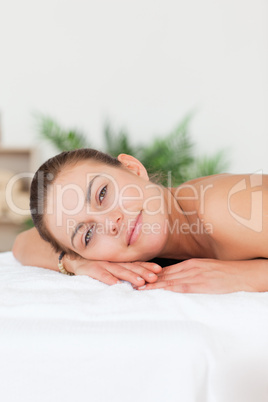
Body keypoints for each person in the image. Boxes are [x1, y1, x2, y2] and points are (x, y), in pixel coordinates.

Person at [12, 148, 268, 294]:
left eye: (102, 193)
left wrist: (250, 276)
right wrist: (75, 262)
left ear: (134, 169)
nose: (111, 222)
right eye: (88, 235)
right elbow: (22, 243)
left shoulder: (227, 208)